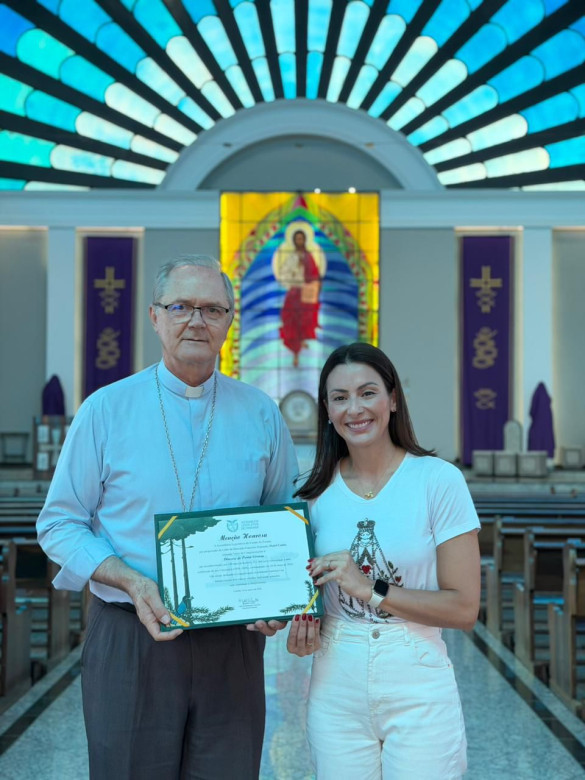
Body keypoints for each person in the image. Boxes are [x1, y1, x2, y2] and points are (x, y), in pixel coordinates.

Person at [37, 255, 299, 780]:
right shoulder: (106, 410)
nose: (196, 320)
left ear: (230, 320)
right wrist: (130, 580)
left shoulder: (261, 413)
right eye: (181, 306)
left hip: (233, 643)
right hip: (131, 637)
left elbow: (286, 518)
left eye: (211, 309)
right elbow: (59, 522)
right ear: (155, 316)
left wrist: (280, 600)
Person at [287, 342, 480, 779]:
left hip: (416, 675)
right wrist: (297, 625)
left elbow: (464, 608)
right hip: (335, 678)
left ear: (393, 399)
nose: (354, 409)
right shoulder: (309, 494)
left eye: (367, 392)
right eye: (340, 397)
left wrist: (371, 588)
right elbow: (299, 592)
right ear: (327, 410)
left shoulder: (438, 481)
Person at [279, 228, 321, 367]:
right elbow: (284, 274)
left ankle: (301, 343)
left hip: (305, 294)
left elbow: (315, 274)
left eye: (301, 239)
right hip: (293, 293)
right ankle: (294, 350)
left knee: (304, 320)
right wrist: (294, 271)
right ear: (293, 241)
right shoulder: (291, 257)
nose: (299, 241)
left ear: (304, 240)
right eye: (297, 239)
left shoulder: (308, 256)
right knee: (291, 320)